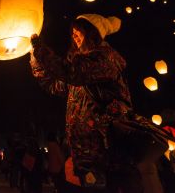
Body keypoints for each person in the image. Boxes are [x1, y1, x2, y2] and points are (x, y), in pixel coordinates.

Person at [29, 14, 143, 192]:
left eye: (79, 31)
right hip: (85, 154)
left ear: (92, 32)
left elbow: (71, 73)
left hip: (106, 153)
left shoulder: (105, 58)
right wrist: (34, 58)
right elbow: (54, 85)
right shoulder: (79, 68)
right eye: (72, 33)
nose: (74, 35)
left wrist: (39, 49)